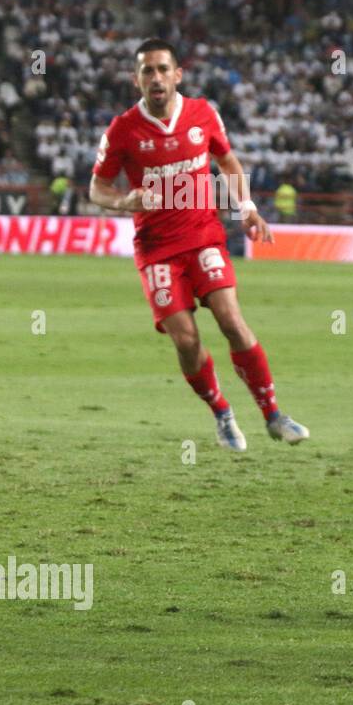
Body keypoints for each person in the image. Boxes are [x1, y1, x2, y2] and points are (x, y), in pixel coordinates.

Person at [89, 39, 309, 452]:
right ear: (135, 79)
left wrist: (247, 207)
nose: (155, 77)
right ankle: (222, 413)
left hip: (203, 235)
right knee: (187, 340)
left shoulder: (203, 113)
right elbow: (96, 188)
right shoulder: (122, 130)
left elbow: (227, 162)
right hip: (156, 248)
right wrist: (123, 201)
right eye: (147, 71)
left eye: (162, 69)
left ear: (178, 74)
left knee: (231, 320)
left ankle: (274, 415)